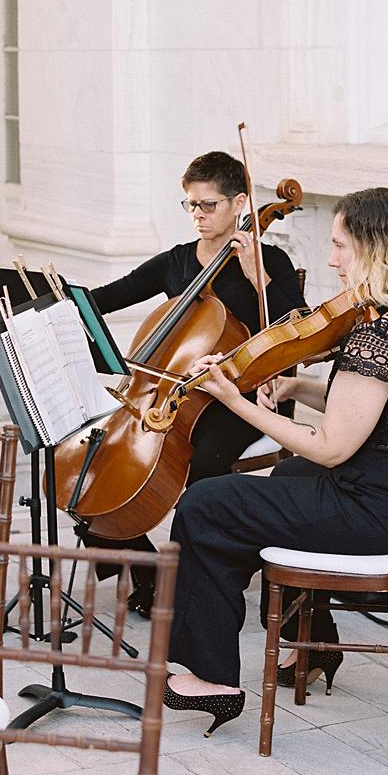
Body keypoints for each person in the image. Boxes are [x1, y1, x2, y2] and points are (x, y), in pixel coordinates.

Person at [162, 187, 388, 734]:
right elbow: (382, 407)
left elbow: (331, 445)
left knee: (205, 504)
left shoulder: (379, 335)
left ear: (377, 250)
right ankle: (310, 642)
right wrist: (301, 383)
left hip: (381, 513)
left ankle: (213, 678)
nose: (331, 259)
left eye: (341, 246)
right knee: (290, 475)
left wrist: (236, 402)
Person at [87, 150, 306, 614]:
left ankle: (208, 577)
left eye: (209, 205)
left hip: (244, 397)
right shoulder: (178, 262)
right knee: (91, 463)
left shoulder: (271, 260)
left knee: (205, 465)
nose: (198, 216)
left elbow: (299, 328)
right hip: (176, 393)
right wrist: (48, 297)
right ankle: (148, 575)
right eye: (191, 205)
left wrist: (257, 276)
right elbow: (106, 298)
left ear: (240, 203)